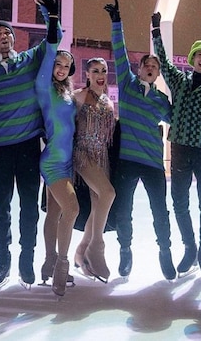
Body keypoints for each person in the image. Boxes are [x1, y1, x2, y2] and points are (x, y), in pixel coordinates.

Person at [0, 0, 61, 288]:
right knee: (0, 208)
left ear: (14, 38)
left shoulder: (28, 60)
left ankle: (26, 259)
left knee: (29, 207)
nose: (4, 35)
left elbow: (54, 41)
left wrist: (49, 14)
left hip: (28, 147)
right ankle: (3, 260)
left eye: (8, 32)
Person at [151, 12, 201, 280]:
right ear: (193, 57)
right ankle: (190, 248)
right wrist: (156, 29)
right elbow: (162, 59)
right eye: (200, 55)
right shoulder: (179, 81)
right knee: (179, 202)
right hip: (181, 149)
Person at [105, 0, 175, 281]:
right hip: (127, 161)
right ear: (139, 68)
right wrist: (116, 22)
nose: (150, 68)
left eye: (155, 67)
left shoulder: (161, 100)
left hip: (153, 163)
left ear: (158, 74)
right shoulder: (127, 85)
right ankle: (125, 251)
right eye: (147, 64)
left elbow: (177, 120)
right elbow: (119, 52)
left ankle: (165, 252)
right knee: (124, 209)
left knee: (161, 210)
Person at [33, 0, 79, 296]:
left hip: (68, 160)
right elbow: (50, 48)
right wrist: (50, 16)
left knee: (53, 214)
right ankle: (62, 264)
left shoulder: (67, 93)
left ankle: (49, 262)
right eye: (58, 64)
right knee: (72, 209)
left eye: (66, 65)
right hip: (51, 161)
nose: (61, 68)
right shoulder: (44, 87)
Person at [72, 57, 116, 283]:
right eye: (95, 71)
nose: (100, 75)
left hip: (102, 157)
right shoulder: (78, 97)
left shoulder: (109, 101)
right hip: (83, 155)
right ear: (87, 74)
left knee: (98, 205)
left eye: (104, 71)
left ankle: (81, 252)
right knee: (108, 193)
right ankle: (96, 246)